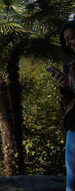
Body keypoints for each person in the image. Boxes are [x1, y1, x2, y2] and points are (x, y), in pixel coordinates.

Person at [51, 20, 75, 190]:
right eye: (66, 40)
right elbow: (67, 103)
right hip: (74, 126)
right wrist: (63, 87)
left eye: (72, 38)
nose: (68, 43)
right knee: (72, 180)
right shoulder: (69, 64)